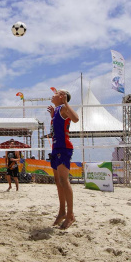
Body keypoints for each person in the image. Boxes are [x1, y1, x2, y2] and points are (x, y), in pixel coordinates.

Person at [48, 89, 80, 229]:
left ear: (61, 97)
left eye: (56, 93)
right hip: (56, 148)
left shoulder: (63, 108)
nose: (53, 94)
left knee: (63, 180)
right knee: (57, 181)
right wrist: (52, 115)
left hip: (64, 148)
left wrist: (66, 102)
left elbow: (76, 118)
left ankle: (70, 215)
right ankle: (62, 212)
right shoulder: (56, 111)